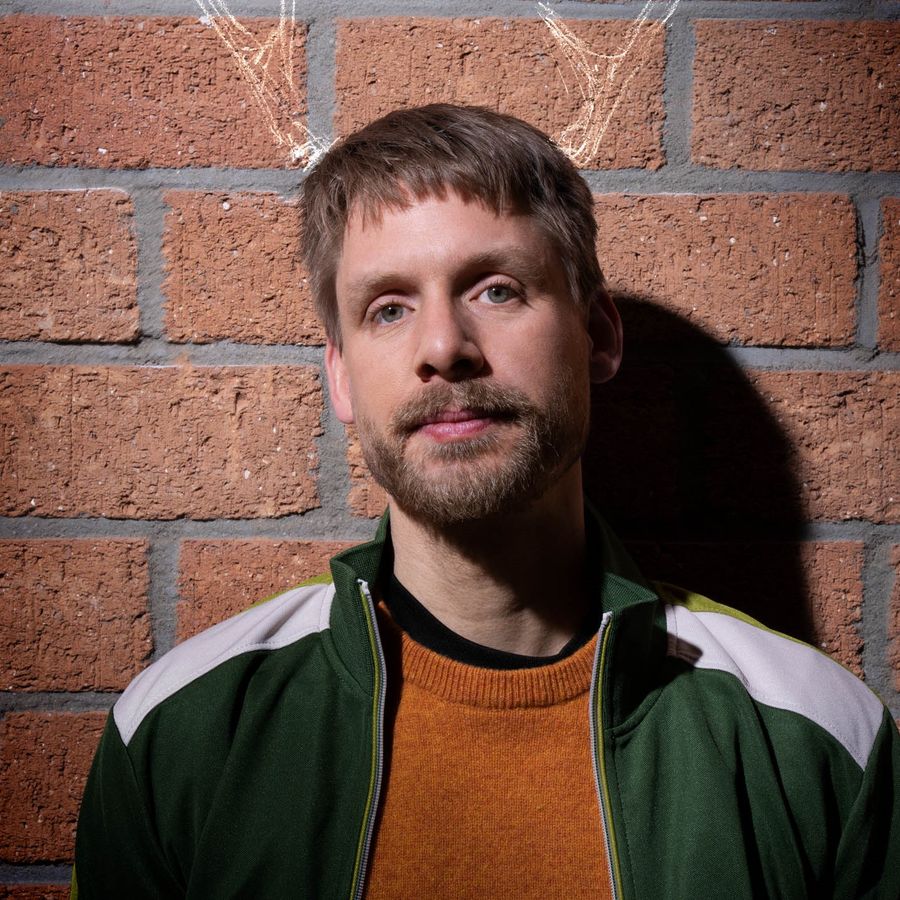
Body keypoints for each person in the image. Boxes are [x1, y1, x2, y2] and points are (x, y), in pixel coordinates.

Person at [73, 104, 899, 899]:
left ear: (599, 335)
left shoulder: (822, 739)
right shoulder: (181, 732)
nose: (443, 347)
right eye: (388, 309)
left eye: (496, 290)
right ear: (340, 377)